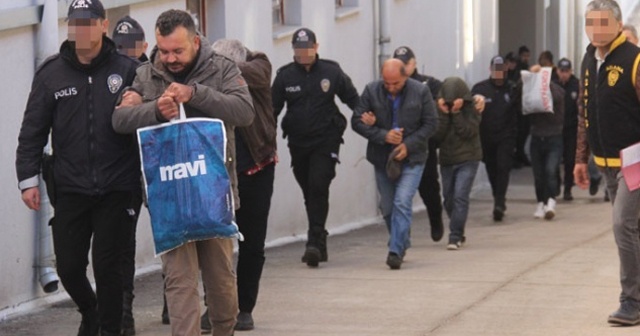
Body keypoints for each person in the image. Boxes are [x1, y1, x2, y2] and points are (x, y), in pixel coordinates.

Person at [112, 9, 254, 336]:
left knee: (221, 284)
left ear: (196, 41)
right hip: (169, 200)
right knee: (179, 283)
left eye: (178, 50)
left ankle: (223, 330)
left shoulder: (222, 68)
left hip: (214, 194)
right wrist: (154, 111)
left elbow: (245, 112)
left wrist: (196, 94)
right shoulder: (146, 75)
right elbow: (119, 121)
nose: (170, 59)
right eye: (164, 51)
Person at [15, 1, 140, 335]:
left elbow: (150, 119)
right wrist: (27, 180)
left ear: (103, 25)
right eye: (75, 23)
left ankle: (111, 330)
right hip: (70, 187)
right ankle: (91, 311)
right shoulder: (51, 73)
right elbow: (32, 131)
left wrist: (142, 101)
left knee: (108, 267)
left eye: (88, 23)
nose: (80, 30)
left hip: (117, 186)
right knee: (70, 267)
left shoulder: (128, 70)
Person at [574, 0, 640, 326]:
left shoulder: (635, 59)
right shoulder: (588, 59)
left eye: (602, 22)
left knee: (622, 226)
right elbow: (584, 115)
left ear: (616, 24)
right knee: (632, 229)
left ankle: (631, 302)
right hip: (606, 162)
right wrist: (580, 159)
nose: (596, 29)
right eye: (591, 22)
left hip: (635, 163)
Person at [272, 27, 359, 267]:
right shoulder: (285, 76)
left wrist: (369, 119)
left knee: (318, 184)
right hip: (298, 143)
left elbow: (353, 99)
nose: (303, 53)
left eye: (307, 48)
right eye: (298, 49)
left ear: (316, 47)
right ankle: (320, 242)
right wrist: (266, 141)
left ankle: (313, 241)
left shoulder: (331, 71)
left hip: (326, 139)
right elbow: (272, 111)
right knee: (310, 191)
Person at [211, 39, 277, 331]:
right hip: (219, 174)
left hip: (257, 168)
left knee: (252, 243)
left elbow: (259, 73)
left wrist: (214, 69)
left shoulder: (258, 66)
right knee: (214, 245)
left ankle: (244, 308)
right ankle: (219, 306)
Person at [352, 58, 437, 270]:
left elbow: (432, 123)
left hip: (413, 158)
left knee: (402, 201)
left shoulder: (421, 92)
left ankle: (395, 250)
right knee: (388, 207)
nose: (391, 88)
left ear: (405, 77)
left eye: (396, 84)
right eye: (386, 83)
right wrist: (382, 135)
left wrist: (408, 145)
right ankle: (402, 239)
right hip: (382, 159)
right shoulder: (371, 91)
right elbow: (356, 121)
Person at [110, 14, 149, 336]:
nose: (127, 53)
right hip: (125, 172)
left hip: (158, 166)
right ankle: (125, 313)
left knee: (176, 237)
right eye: (121, 47)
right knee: (123, 245)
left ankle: (173, 301)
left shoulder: (157, 73)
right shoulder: (108, 73)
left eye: (132, 47)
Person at [391, 46, 444, 241]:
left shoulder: (427, 84)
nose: (402, 67)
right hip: (397, 144)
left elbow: (446, 91)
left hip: (423, 144)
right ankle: (401, 234)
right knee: (399, 194)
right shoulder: (391, 85)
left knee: (428, 187)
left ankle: (436, 219)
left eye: (406, 63)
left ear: (413, 63)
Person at [432, 77, 482, 250]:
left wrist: (458, 113)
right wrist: (445, 114)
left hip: (468, 158)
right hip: (447, 159)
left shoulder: (473, 108)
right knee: (449, 199)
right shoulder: (438, 109)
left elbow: (468, 132)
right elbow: (437, 136)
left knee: (460, 196)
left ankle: (454, 236)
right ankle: (459, 229)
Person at [471, 56, 521, 222]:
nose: (498, 73)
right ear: (491, 70)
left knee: (503, 167)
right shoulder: (480, 89)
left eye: (501, 70)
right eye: (496, 69)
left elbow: (521, 110)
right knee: (492, 168)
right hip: (486, 136)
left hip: (506, 136)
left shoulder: (513, 88)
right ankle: (497, 196)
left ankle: (499, 202)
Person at [527, 65, 565, 220]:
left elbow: (555, 99)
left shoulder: (557, 91)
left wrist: (545, 86)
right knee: (538, 174)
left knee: (550, 170)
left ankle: (551, 200)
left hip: (553, 137)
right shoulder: (530, 92)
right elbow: (520, 99)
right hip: (536, 137)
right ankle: (541, 202)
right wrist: (528, 78)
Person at [553, 58, 580, 201]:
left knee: (570, 160)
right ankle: (557, 182)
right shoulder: (553, 85)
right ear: (557, 71)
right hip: (556, 129)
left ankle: (568, 189)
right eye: (561, 71)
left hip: (571, 129)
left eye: (566, 71)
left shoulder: (576, 85)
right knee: (556, 159)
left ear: (570, 72)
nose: (564, 74)